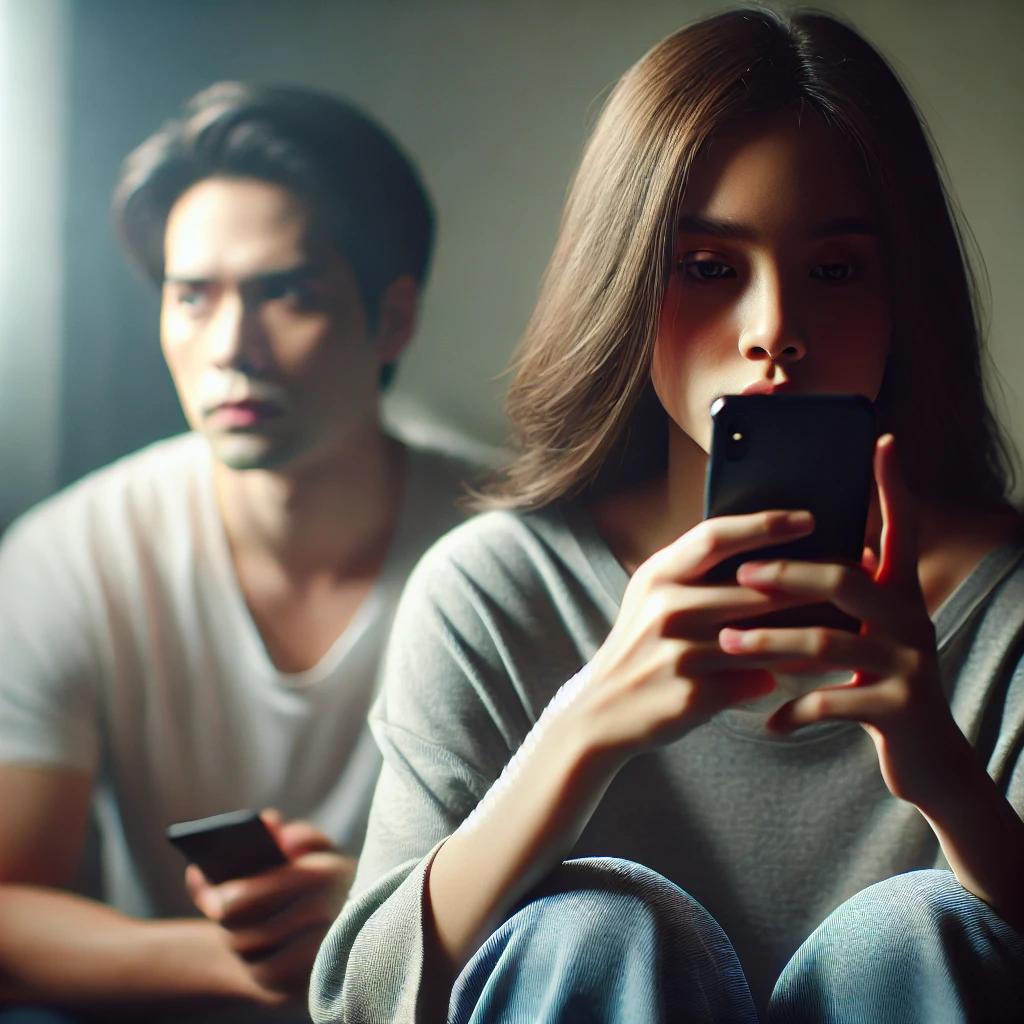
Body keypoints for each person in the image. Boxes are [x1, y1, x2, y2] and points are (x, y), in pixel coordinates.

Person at [309, 8, 1024, 1024]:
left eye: (833, 270)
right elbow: (353, 1003)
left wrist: (950, 781)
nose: (775, 330)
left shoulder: (1009, 607)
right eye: (708, 268)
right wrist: (582, 731)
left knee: (916, 931)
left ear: (901, 293)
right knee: (587, 928)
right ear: (628, 284)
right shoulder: (494, 592)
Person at [0, 82, 480, 1021]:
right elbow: (9, 911)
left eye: (285, 294)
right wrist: (244, 962)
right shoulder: (74, 554)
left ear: (392, 318)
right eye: (192, 297)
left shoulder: (506, 546)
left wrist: (374, 923)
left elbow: (591, 887)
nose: (231, 346)